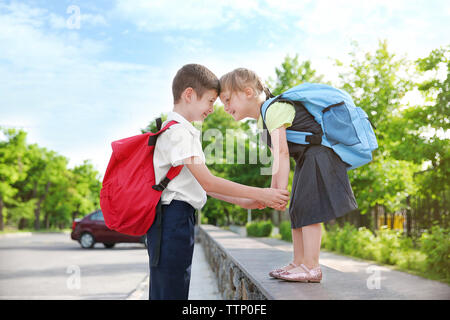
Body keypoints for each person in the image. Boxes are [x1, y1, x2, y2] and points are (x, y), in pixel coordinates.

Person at [147, 64, 290, 299]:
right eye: (211, 101)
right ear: (189, 94)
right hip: (171, 220)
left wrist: (244, 201)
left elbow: (199, 185)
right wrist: (262, 193)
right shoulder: (177, 133)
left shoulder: (183, 132)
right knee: (170, 293)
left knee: (174, 290)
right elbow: (209, 183)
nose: (214, 109)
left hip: (177, 220)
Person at [219, 68, 358, 283]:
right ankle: (298, 262)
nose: (226, 108)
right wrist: (272, 194)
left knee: (309, 207)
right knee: (296, 207)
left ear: (248, 92)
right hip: (308, 157)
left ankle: (312, 267)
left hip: (319, 154)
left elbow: (283, 152)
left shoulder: (274, 109)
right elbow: (277, 159)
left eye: (227, 100)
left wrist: (278, 192)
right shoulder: (263, 119)